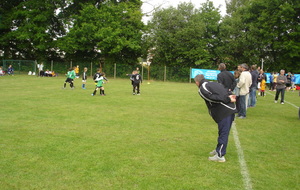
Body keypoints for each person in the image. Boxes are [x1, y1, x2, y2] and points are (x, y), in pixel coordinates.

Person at [194, 74, 237, 162]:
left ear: (197, 82)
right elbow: (226, 90)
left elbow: (211, 98)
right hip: (230, 109)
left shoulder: (202, 88)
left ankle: (220, 156)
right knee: (222, 131)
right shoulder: (214, 83)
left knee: (223, 133)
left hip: (224, 111)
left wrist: (228, 99)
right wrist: (230, 96)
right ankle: (218, 149)